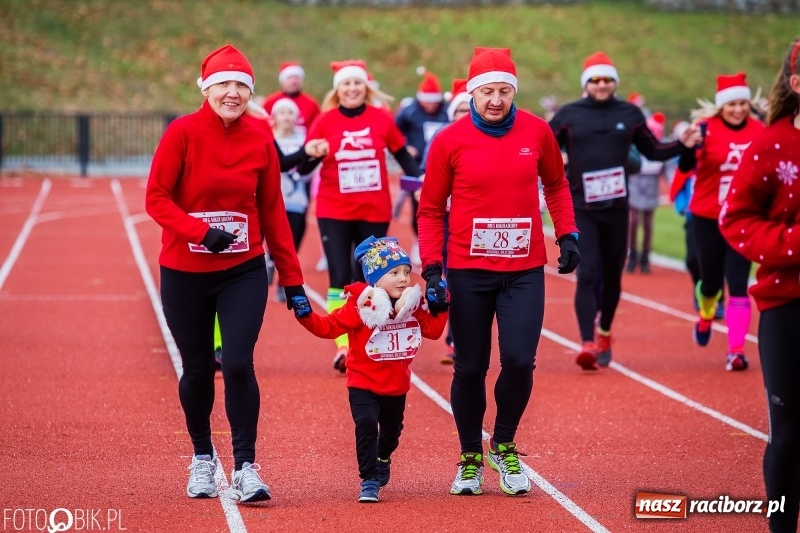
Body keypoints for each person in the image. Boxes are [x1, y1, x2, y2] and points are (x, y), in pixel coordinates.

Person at [145, 44, 307, 503]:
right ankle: (201, 458)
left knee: (237, 363)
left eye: (241, 86)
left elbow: (274, 212)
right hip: (186, 270)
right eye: (224, 84)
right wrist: (198, 229)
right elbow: (156, 198)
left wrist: (292, 279)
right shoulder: (182, 133)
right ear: (207, 88)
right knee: (197, 370)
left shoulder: (260, 139)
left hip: (243, 269)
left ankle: (245, 467)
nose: (232, 93)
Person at [418, 47, 580, 496]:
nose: (496, 99)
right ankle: (470, 455)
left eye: (504, 91)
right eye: (487, 91)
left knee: (518, 361)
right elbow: (430, 208)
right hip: (469, 269)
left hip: (524, 270)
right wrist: (432, 268)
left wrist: (567, 233)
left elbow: (556, 184)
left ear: (514, 92)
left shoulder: (538, 131)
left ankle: (503, 444)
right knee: (470, 368)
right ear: (473, 93)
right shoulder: (450, 140)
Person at [549, 51, 701, 370]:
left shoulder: (629, 113)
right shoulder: (568, 115)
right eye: (595, 80)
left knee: (612, 277)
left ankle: (604, 332)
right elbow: (544, 147)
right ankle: (587, 342)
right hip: (582, 208)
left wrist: (683, 145)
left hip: (617, 209)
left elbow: (654, 151)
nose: (601, 85)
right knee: (587, 273)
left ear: (614, 83)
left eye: (607, 80)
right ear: (585, 83)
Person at [291, 235, 448, 502]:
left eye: (407, 273)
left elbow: (433, 331)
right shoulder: (361, 306)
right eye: (394, 273)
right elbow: (327, 327)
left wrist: (441, 305)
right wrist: (305, 315)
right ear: (375, 278)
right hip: (362, 382)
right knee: (364, 424)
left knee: (391, 432)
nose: (403, 279)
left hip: (396, 385)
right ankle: (369, 480)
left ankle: (383, 456)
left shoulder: (411, 307)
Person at [719, 37, 800, 533]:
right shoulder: (773, 143)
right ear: (796, 83)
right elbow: (736, 218)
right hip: (788, 304)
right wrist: (793, 244)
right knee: (790, 435)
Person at [297, 59, 423, 375]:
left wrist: (423, 182)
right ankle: (343, 346)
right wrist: (314, 153)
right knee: (340, 276)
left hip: (373, 209)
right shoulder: (324, 121)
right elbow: (303, 168)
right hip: (334, 209)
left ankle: (369, 340)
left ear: (365, 88)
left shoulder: (381, 119)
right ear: (337, 90)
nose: (352, 89)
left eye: (357, 84)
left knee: (370, 279)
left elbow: (402, 156)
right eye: (346, 84)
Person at [678, 72, 764, 371]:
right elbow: (686, 166)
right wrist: (687, 147)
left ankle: (736, 350)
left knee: (739, 283)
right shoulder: (705, 129)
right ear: (721, 106)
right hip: (707, 216)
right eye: (732, 104)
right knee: (711, 282)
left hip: (743, 218)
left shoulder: (759, 130)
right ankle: (705, 314)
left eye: (743, 103)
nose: (738, 109)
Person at [419, 78, 472, 364]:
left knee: (463, 279)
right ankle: (452, 334)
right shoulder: (441, 140)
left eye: (469, 110)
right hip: (445, 221)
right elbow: (425, 177)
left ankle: (456, 339)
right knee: (448, 276)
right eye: (459, 111)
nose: (465, 116)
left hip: (471, 223)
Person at [394, 69, 450, 265]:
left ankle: (442, 245)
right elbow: (393, 132)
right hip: (417, 169)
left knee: (445, 209)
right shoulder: (410, 111)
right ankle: (420, 241)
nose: (430, 105)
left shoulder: (448, 110)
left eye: (434, 101)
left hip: (444, 167)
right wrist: (406, 146)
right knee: (419, 206)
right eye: (427, 101)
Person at [272, 97, 313, 303]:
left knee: (292, 244)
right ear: (275, 117)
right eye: (282, 112)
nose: (287, 117)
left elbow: (308, 172)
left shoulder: (304, 139)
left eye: (290, 113)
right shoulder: (268, 138)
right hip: (270, 198)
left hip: (297, 199)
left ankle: (282, 283)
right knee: (270, 239)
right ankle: (270, 262)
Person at [626, 112, 667, 274]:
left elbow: (667, 165)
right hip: (635, 181)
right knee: (633, 220)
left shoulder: (660, 144)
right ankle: (632, 255)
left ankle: (645, 257)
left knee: (648, 222)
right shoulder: (635, 143)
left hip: (651, 183)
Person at [262, 61, 320, 136]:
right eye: (290, 78)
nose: (294, 81)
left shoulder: (312, 104)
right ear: (282, 80)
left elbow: (317, 129)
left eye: (297, 78)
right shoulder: (270, 102)